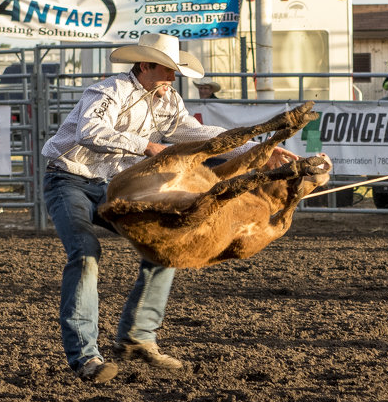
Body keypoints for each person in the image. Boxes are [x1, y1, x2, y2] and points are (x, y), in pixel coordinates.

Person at [41, 33, 294, 383]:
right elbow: (89, 131)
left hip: (113, 186)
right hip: (68, 178)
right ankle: (86, 357)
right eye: (167, 70)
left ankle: (138, 336)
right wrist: (147, 147)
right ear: (144, 65)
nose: (173, 79)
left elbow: (200, 134)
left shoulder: (167, 99)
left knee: (168, 242)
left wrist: (258, 152)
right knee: (84, 252)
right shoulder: (108, 91)